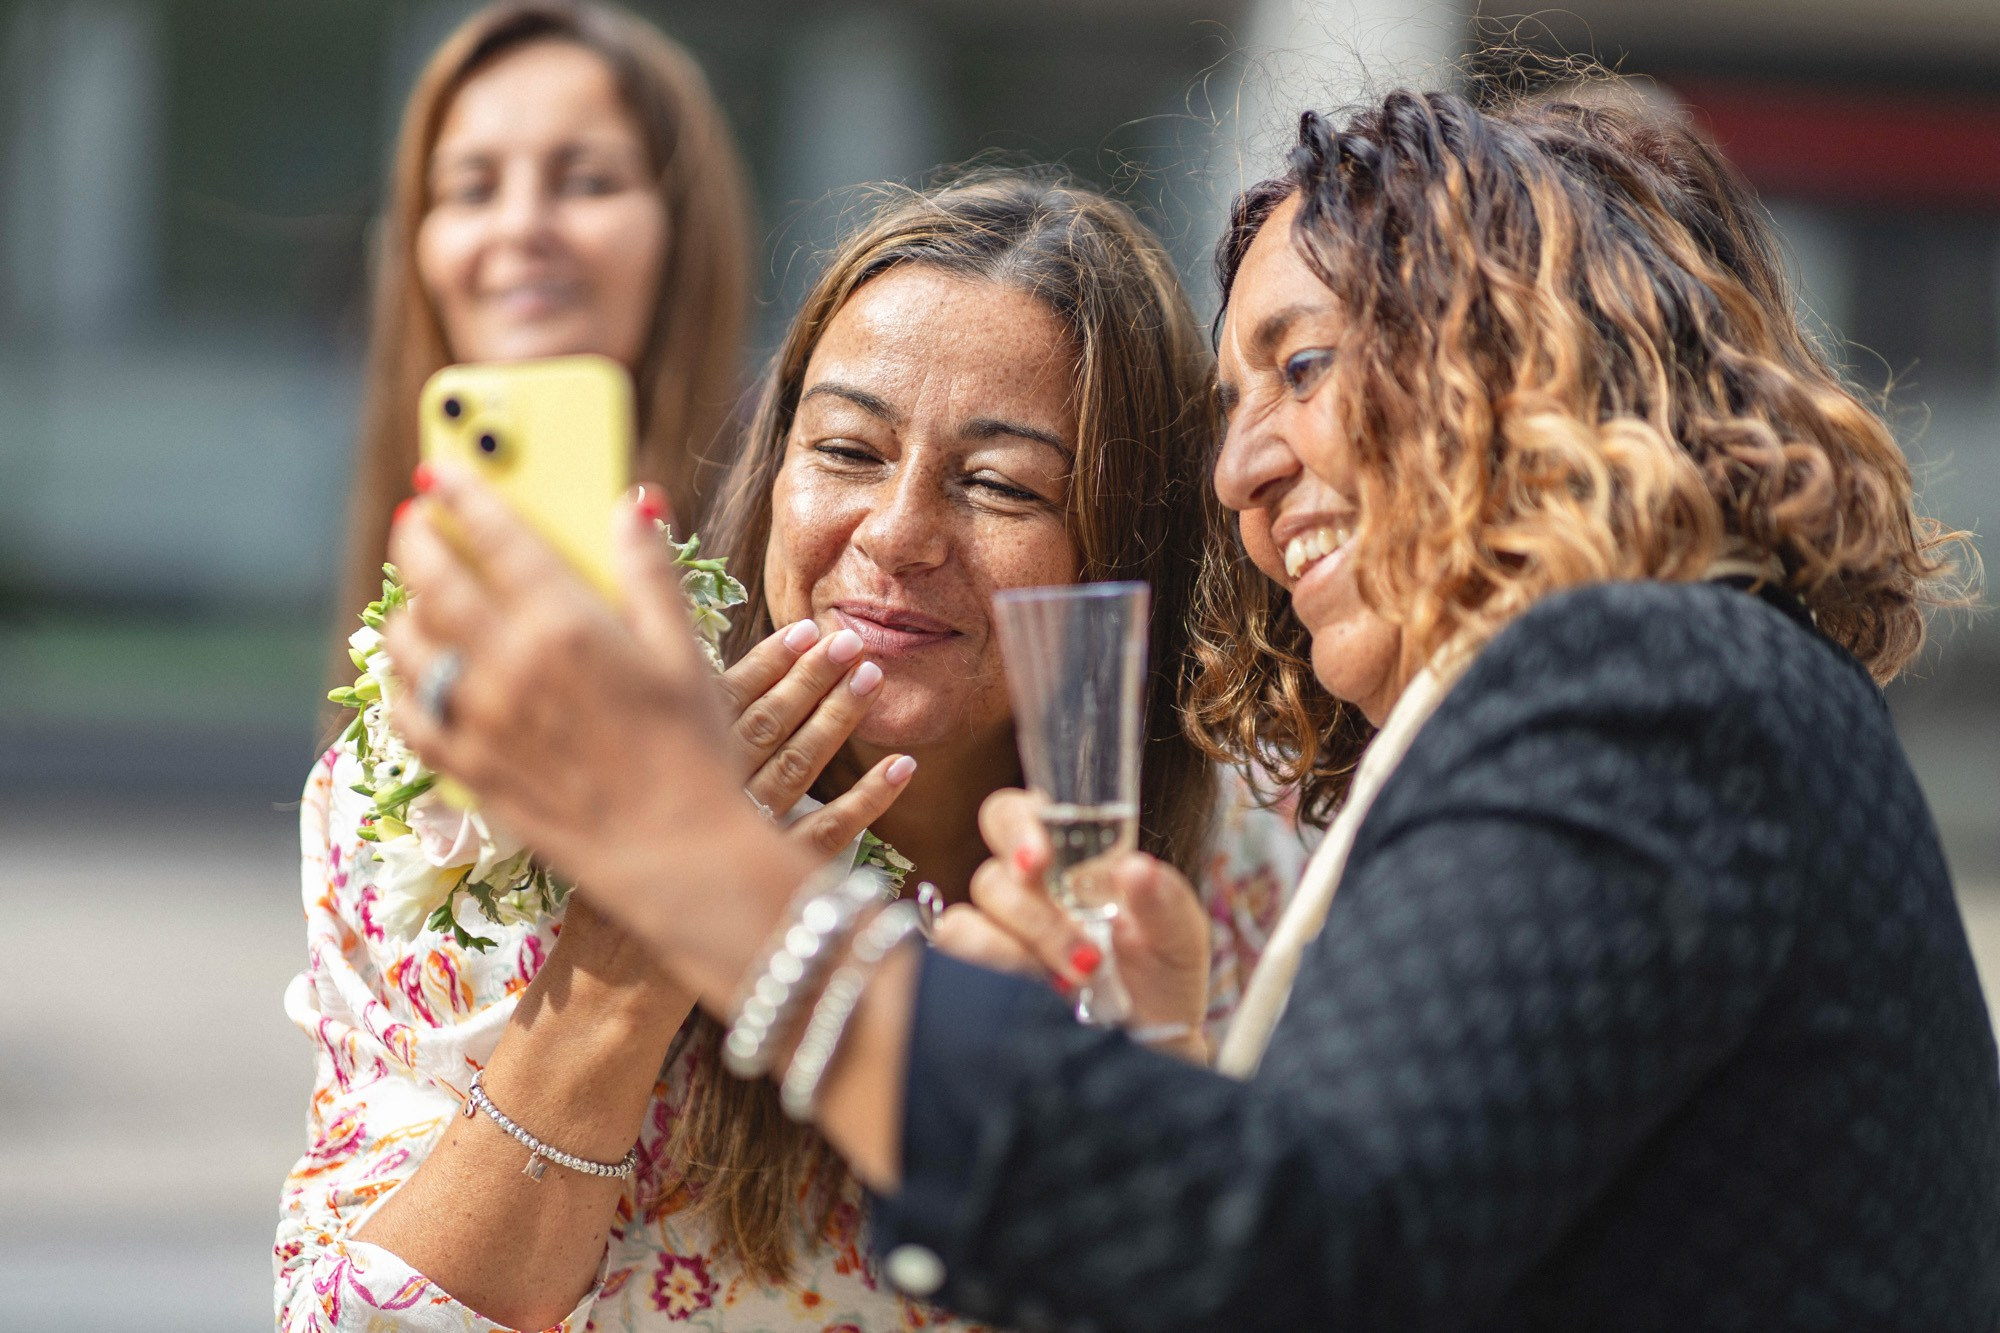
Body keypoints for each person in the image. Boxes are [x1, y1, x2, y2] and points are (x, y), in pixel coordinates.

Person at [376, 83, 2000, 1329]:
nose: (1244, 466)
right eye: (1235, 399)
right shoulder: (1668, 685)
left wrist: (699, 871)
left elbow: (1304, 1246)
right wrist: (1154, 1058)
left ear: (1516, 365)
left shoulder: (1641, 685)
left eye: (1302, 366)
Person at [277, 170, 1313, 1331]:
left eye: (998, 484)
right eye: (848, 450)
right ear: (772, 467)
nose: (898, 533)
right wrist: (634, 950)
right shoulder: (473, 813)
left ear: (1131, 547)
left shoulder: (1239, 877)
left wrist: (1146, 1080)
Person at [329, 0, 751, 675]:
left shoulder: (786, 537)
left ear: (683, 231)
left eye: (587, 182)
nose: (521, 226)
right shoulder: (405, 563)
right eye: (472, 189)